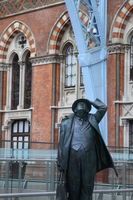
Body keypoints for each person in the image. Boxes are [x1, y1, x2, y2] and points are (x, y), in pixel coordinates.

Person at [57, 98, 118, 200]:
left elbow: (103, 107)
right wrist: (60, 163)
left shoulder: (93, 119)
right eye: (80, 105)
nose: (82, 107)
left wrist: (91, 101)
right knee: (73, 187)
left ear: (88, 109)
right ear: (75, 109)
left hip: (89, 159)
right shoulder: (66, 124)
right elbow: (61, 145)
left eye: (85, 105)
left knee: (87, 186)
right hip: (72, 159)